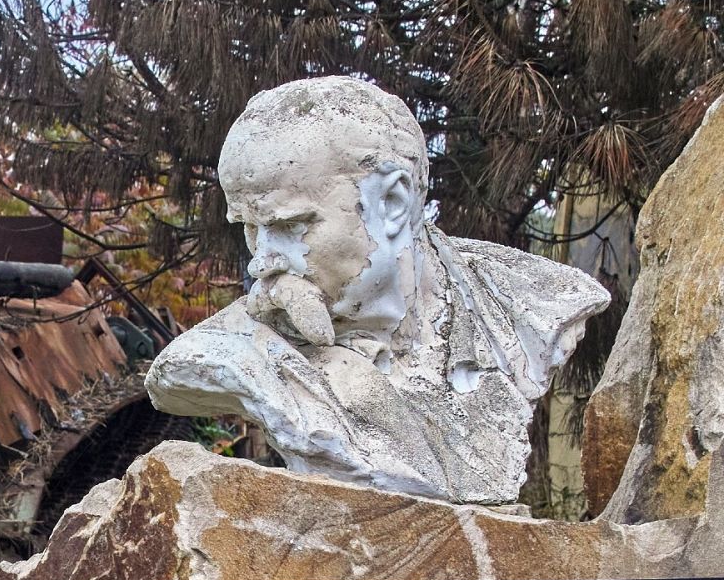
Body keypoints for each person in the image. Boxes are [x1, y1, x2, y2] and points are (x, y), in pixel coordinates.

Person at [146, 76, 609, 503]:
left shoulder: (535, 302)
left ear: (391, 202)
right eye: (249, 229)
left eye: (288, 225)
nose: (260, 260)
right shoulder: (227, 352)